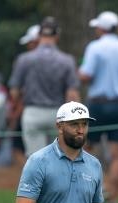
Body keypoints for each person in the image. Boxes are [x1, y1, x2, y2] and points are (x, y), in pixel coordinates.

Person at [80, 11, 118, 203]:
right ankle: (113, 199)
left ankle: (87, 195)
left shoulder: (95, 47)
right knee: (116, 155)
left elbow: (86, 75)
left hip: (98, 103)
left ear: (101, 28)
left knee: (87, 150)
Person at [9, 16, 80, 157]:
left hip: (33, 113)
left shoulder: (24, 59)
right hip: (58, 114)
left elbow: (14, 92)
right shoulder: (67, 60)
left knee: (36, 159)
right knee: (59, 157)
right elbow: (72, 94)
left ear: (39, 35)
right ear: (57, 35)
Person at [9, 24, 40, 168]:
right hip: (54, 111)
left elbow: (17, 92)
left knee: (20, 150)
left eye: (30, 43)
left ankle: (31, 178)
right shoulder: (57, 59)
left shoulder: (24, 60)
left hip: (28, 111)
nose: (28, 46)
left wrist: (15, 112)